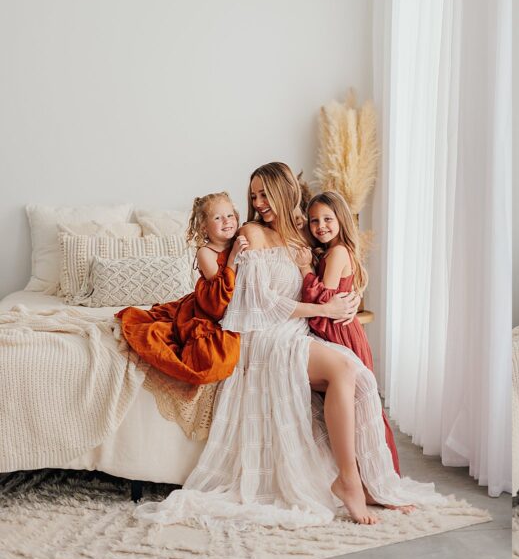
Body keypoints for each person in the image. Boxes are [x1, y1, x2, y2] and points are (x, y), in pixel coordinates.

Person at [136, 162, 441, 528]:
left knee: (355, 375)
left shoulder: (301, 235)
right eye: (253, 195)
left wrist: (346, 297)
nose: (259, 202)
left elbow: (329, 270)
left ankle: (361, 478)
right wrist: (323, 308)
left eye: (265, 194)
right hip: (264, 336)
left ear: (284, 193)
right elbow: (259, 303)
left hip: (294, 330)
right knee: (344, 368)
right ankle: (349, 481)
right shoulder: (250, 234)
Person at [300, 190, 400, 473]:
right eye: (314, 221)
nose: (321, 226)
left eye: (328, 219)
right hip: (345, 329)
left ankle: (368, 473)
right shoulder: (335, 250)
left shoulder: (337, 252)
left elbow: (324, 300)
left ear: (341, 219)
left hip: (337, 331)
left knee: (355, 404)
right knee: (354, 404)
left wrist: (305, 268)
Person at [117, 192, 243, 384]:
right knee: (213, 359)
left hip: (236, 304)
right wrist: (233, 258)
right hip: (211, 309)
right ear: (204, 227)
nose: (226, 221)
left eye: (230, 215)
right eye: (218, 217)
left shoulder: (241, 239)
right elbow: (221, 292)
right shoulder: (206, 253)